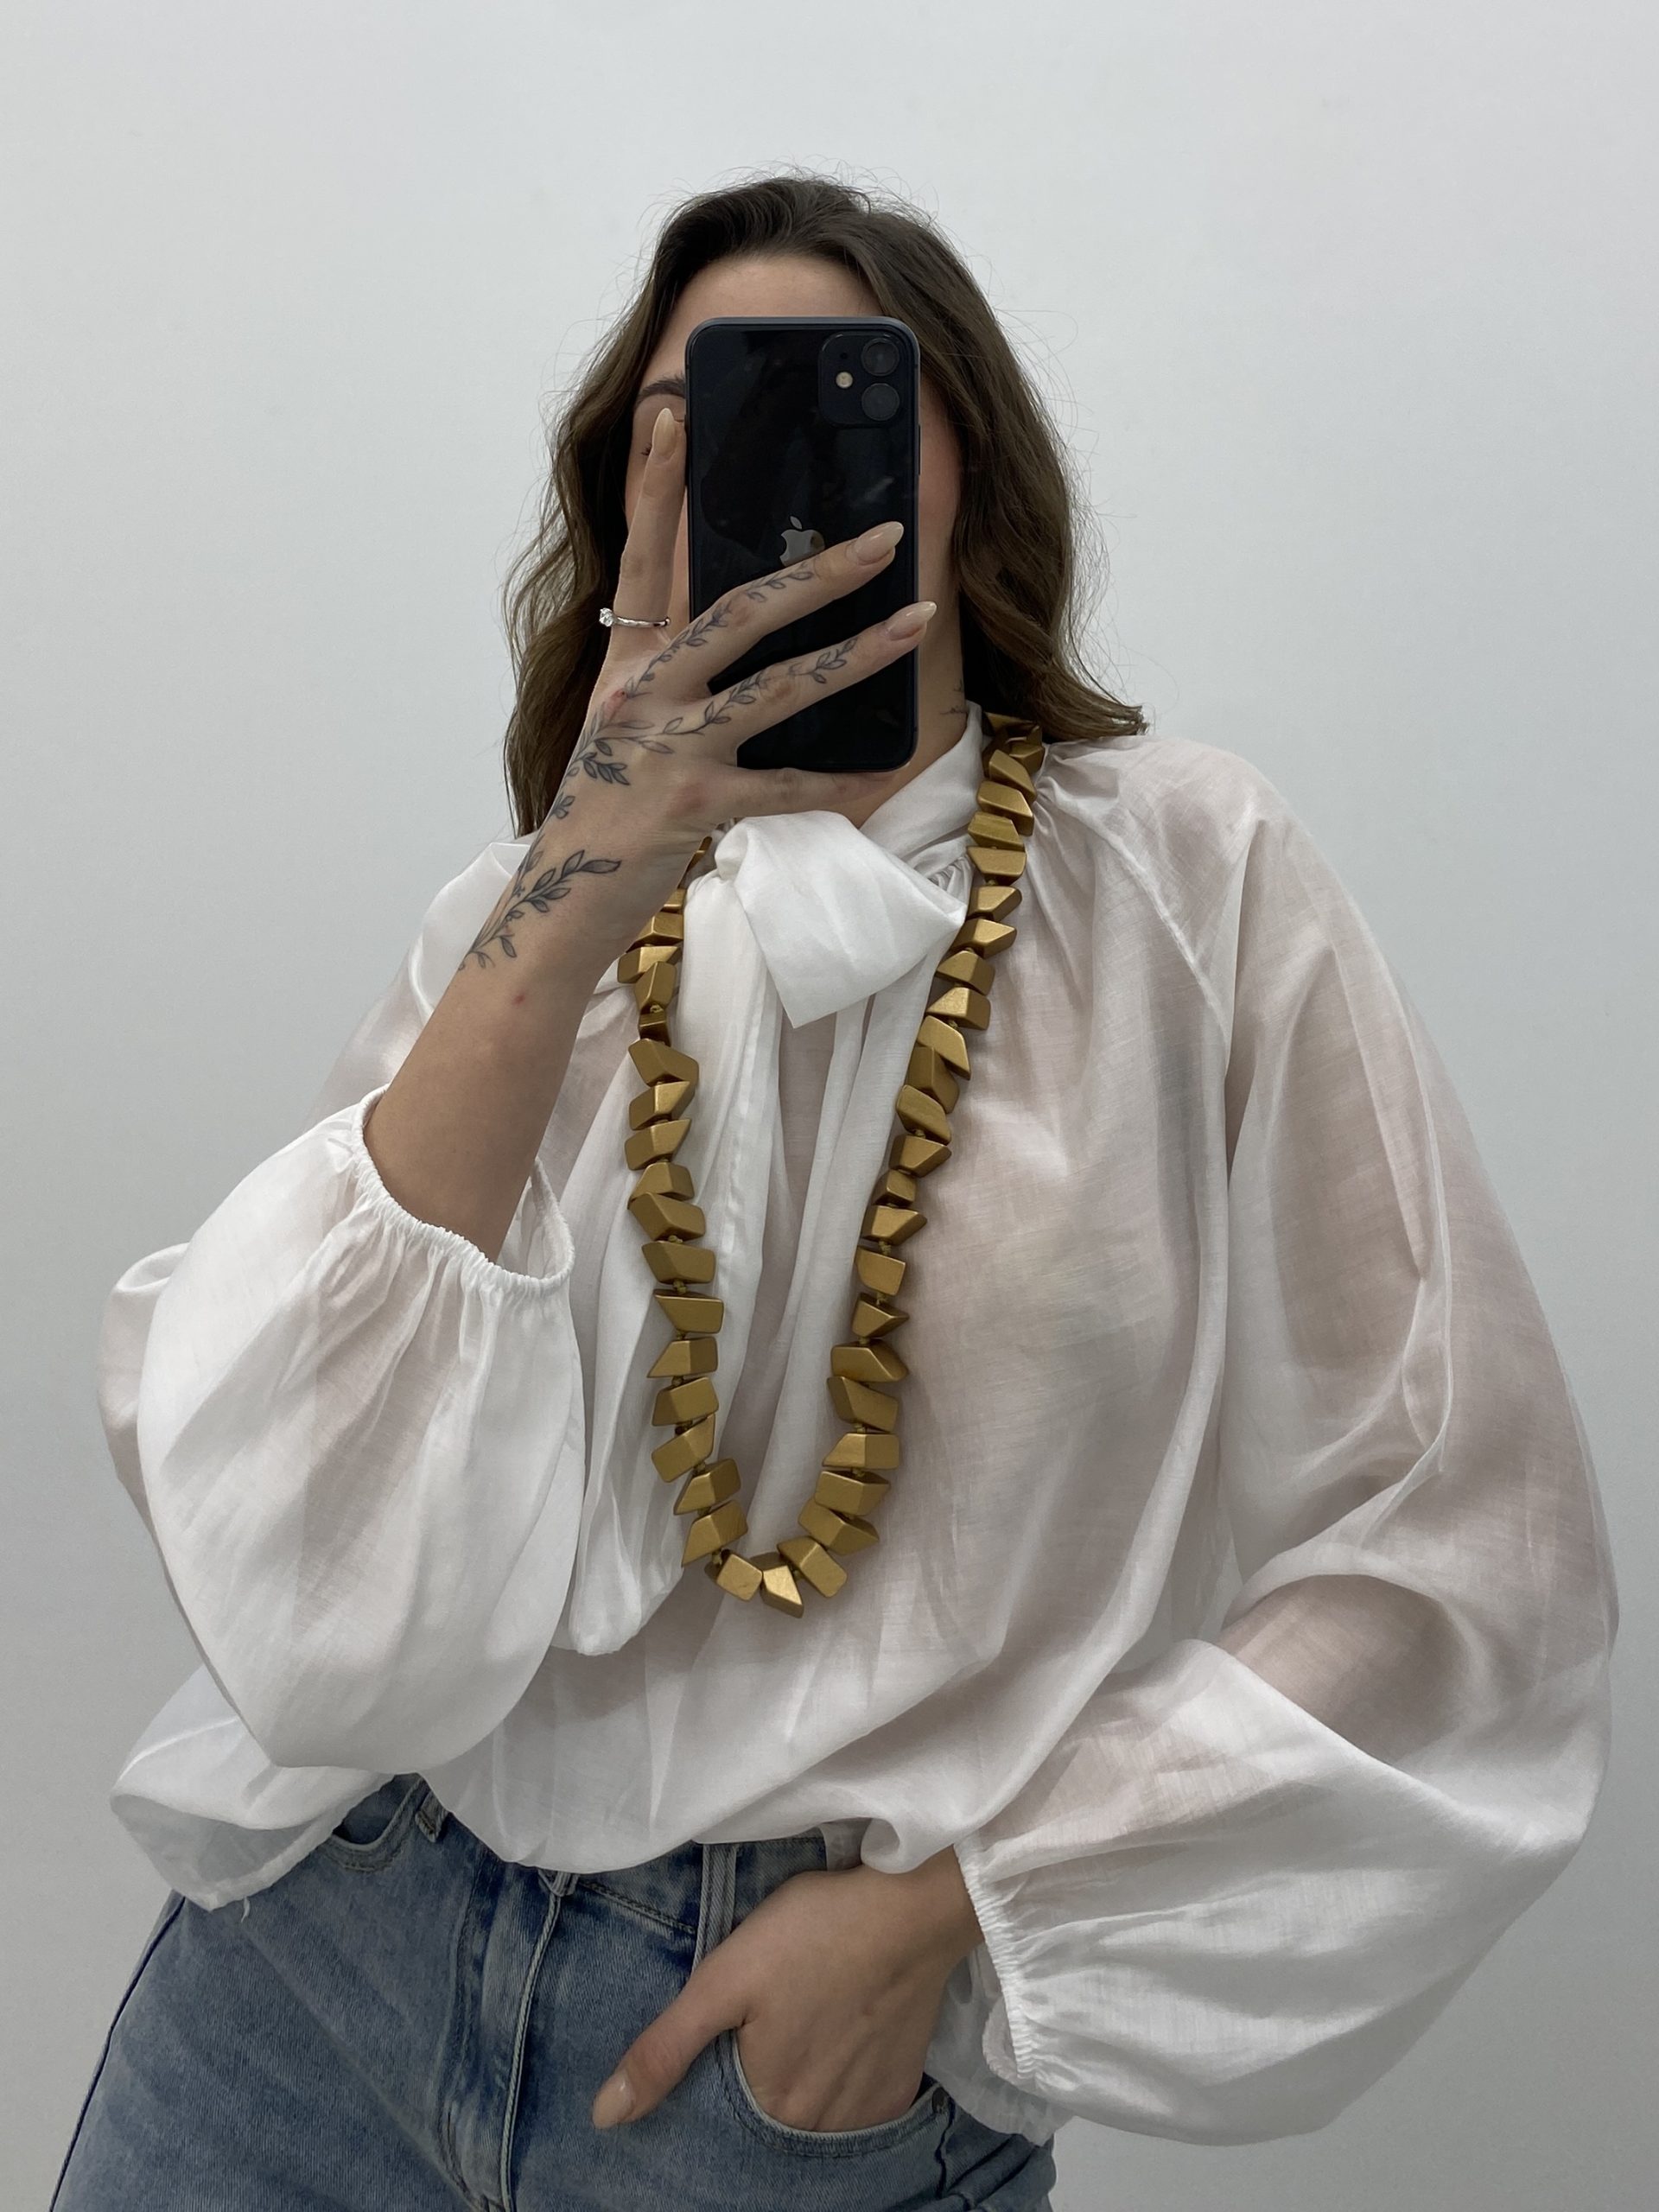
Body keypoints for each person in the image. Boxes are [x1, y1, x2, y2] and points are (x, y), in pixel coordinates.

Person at [53, 175, 1618, 2212]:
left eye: (836, 398)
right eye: (694, 419)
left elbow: (1462, 1528)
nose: (769, 468)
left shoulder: (1190, 885)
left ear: (965, 460)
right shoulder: (535, 917)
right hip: (319, 1976)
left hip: (792, 2084)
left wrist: (956, 1913)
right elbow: (290, 1518)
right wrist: (590, 857)